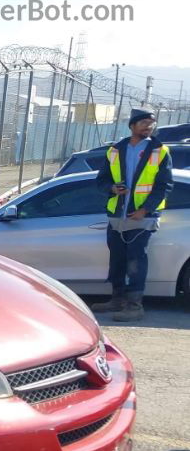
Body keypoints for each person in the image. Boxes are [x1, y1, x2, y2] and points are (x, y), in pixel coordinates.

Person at [93, 108, 173, 321]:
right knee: (117, 260)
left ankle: (135, 306)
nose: (149, 126)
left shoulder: (159, 150)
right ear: (132, 125)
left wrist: (145, 209)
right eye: (144, 122)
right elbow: (101, 181)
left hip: (142, 218)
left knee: (136, 261)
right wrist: (112, 189)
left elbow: (164, 185)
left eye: (151, 123)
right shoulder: (115, 150)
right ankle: (117, 300)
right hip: (117, 215)